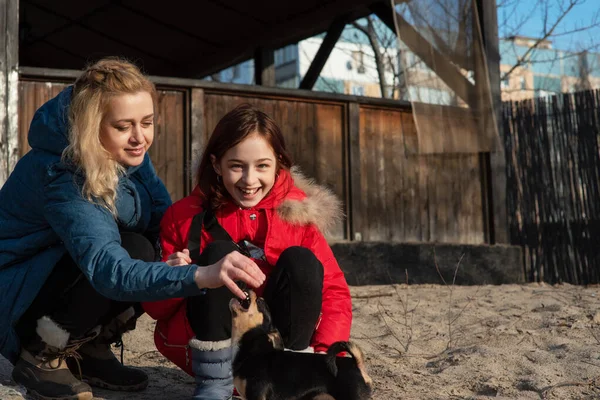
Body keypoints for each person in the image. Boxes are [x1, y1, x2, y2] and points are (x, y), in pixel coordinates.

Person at [0, 59, 265, 400]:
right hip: (16, 299)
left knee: (152, 250)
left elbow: (161, 219)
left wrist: (178, 257)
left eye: (147, 122)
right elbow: (110, 270)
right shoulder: (63, 175)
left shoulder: (127, 152)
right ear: (91, 127)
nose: (140, 138)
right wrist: (199, 275)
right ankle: (42, 354)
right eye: (124, 126)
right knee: (135, 254)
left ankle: (89, 349)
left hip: (60, 271)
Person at [143, 103, 353, 400]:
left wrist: (322, 362)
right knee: (218, 255)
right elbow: (155, 309)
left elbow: (334, 292)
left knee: (302, 262)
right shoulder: (184, 218)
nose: (249, 180)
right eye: (237, 166)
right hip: (211, 347)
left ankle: (294, 378)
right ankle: (215, 384)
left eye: (262, 166)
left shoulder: (299, 217)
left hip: (282, 362)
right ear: (216, 164)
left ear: (279, 164)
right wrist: (176, 276)